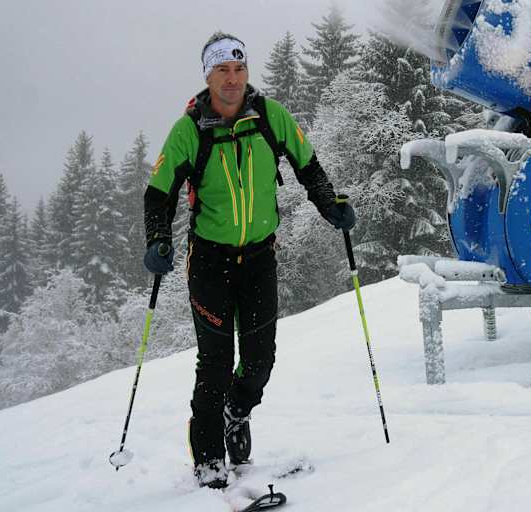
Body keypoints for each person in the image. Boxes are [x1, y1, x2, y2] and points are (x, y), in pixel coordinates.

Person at [143, 31, 355, 489]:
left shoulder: (269, 116)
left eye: (239, 69)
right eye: (223, 70)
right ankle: (208, 460)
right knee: (215, 363)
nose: (233, 79)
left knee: (260, 361)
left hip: (260, 258)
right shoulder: (189, 130)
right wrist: (159, 239)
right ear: (208, 75)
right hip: (210, 262)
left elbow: (308, 166)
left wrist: (330, 204)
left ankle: (235, 412)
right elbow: (158, 194)